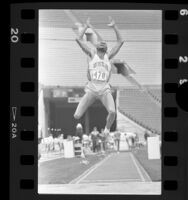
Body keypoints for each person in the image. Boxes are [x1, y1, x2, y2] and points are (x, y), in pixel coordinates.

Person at [74, 17, 124, 135]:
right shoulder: (92, 54)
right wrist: (86, 26)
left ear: (105, 50)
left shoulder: (108, 56)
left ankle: (106, 129)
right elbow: (78, 39)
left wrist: (114, 26)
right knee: (77, 116)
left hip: (104, 90)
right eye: (100, 47)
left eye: (103, 47)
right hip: (91, 90)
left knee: (112, 112)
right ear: (97, 49)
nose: (102, 44)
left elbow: (120, 41)